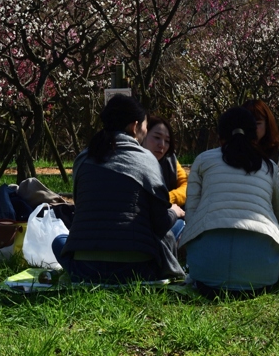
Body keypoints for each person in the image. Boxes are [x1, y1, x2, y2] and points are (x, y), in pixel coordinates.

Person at [51, 94, 185, 283]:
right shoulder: (146, 159)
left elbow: (80, 209)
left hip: (85, 268)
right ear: (134, 126)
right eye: (145, 129)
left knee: (59, 241)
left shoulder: (82, 159)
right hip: (136, 269)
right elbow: (160, 223)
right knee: (178, 224)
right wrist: (174, 212)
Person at [180, 106, 279, 295]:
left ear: (220, 136)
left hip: (206, 270)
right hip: (261, 273)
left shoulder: (202, 161)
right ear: (254, 136)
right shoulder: (269, 166)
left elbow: (191, 215)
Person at [142, 116, 188, 206]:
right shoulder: (131, 160)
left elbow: (187, 186)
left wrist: (168, 198)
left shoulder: (171, 161)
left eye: (167, 141)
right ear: (143, 134)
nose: (162, 145)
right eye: (157, 137)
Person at [243, 99, 279, 178]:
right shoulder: (231, 150)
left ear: (267, 124)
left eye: (258, 123)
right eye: (247, 123)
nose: (253, 128)